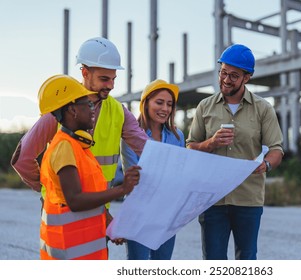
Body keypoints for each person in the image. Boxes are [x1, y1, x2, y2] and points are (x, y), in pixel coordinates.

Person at [10, 37, 148, 229]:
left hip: (99, 208)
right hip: (61, 210)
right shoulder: (60, 108)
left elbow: (147, 148)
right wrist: (49, 187)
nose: (111, 86)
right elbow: (22, 158)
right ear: (85, 73)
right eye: (104, 79)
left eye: (113, 79)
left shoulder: (118, 111)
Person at [186, 44, 284, 260]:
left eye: (233, 75)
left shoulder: (263, 109)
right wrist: (210, 143)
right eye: (223, 72)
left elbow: (276, 149)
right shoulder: (204, 107)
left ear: (246, 78)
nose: (226, 79)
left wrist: (266, 164)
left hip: (248, 199)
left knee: (246, 260)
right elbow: (190, 147)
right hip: (212, 198)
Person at [37, 74, 141, 259]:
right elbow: (76, 201)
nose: (93, 109)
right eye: (88, 104)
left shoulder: (78, 147)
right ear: (72, 110)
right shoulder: (65, 147)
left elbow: (91, 194)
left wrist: (107, 223)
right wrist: (122, 189)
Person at [120, 79, 185, 260]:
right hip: (139, 213)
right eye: (159, 102)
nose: (165, 108)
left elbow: (180, 174)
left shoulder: (177, 136)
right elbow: (136, 177)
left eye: (169, 104)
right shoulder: (130, 136)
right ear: (145, 103)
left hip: (167, 214)